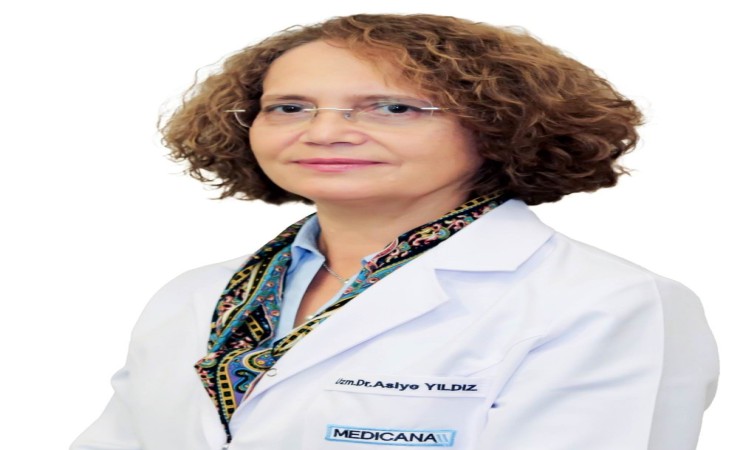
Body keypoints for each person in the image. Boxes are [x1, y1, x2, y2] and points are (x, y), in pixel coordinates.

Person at [71, 13, 718, 450]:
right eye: (290, 107)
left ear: (499, 124)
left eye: (392, 107)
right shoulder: (197, 295)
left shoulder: (605, 304)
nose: (324, 132)